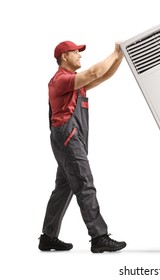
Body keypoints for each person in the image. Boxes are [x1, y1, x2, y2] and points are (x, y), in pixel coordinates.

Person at [39, 40, 126, 253]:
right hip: (67, 138)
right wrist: (114, 51)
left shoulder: (74, 82)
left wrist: (120, 57)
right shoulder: (61, 80)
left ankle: (48, 237)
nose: (79, 55)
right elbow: (95, 72)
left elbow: (104, 75)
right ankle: (99, 236)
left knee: (64, 187)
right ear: (64, 57)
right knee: (85, 183)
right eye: (75, 52)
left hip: (70, 138)